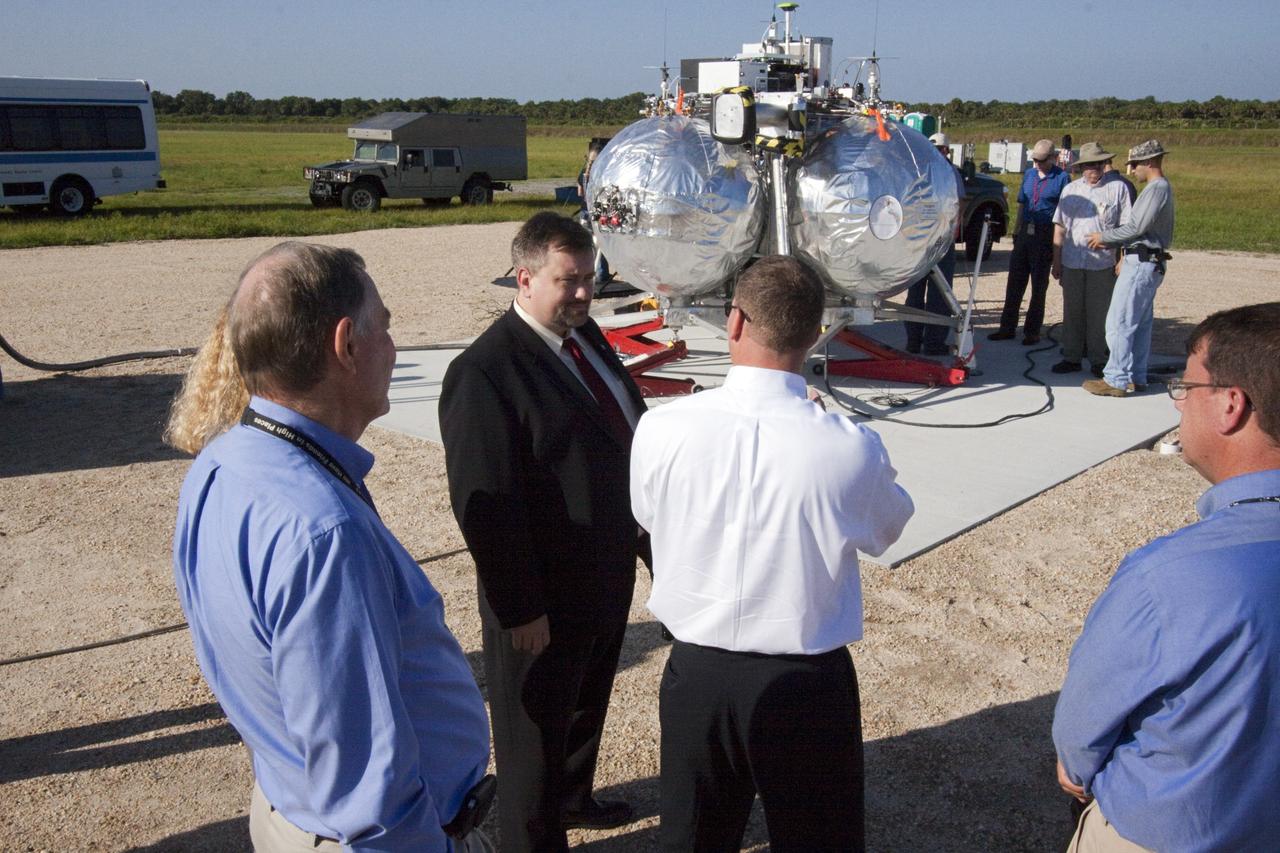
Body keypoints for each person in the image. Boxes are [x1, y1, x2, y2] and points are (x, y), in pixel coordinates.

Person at [170, 242, 494, 852]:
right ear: (346, 345)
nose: (395, 350)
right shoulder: (323, 533)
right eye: (388, 330)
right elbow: (367, 786)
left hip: (288, 808)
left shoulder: (222, 462)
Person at [631, 256, 915, 852]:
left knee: (692, 839)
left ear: (734, 322)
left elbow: (650, 519)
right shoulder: (850, 447)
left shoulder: (663, 427)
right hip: (805, 679)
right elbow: (888, 527)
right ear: (815, 334)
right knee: (818, 839)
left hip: (699, 671)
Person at [439, 212, 646, 851]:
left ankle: (573, 798)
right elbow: (487, 506)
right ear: (524, 279)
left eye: (590, 278)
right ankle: (532, 838)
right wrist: (520, 606)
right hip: (541, 595)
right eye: (570, 281)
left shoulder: (582, 337)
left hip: (603, 570)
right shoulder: (485, 373)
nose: (584, 293)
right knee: (532, 734)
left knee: (586, 702)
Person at [1053, 302, 1280, 852]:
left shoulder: (1169, 577)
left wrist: (1078, 768)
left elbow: (1077, 743)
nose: (1179, 400)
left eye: (1187, 385)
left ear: (1231, 405)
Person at [1082, 140, 1175, 397]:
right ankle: (1136, 375)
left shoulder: (1156, 190)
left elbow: (1136, 227)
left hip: (1142, 261)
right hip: (1149, 262)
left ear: (1149, 162)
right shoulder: (1159, 189)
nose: (1132, 171)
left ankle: (1116, 378)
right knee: (1140, 323)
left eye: (1134, 165)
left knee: (1119, 321)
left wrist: (1105, 236)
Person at [1049, 142, 1132, 376]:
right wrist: (1056, 260)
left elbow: (1127, 228)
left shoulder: (1118, 189)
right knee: (1072, 311)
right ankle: (1072, 357)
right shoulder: (1070, 190)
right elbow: (1060, 227)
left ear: (1104, 164)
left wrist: (1122, 258)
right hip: (1072, 261)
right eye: (1088, 165)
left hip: (1102, 263)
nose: (1093, 169)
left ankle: (1098, 359)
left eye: (1097, 163)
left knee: (1099, 314)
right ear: (1081, 167)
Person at [989, 138, 1070, 345]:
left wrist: (1057, 247)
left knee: (1038, 284)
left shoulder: (1062, 179)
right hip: (1026, 230)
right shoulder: (1030, 175)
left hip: (1046, 232)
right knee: (1014, 282)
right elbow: (1023, 204)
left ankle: (1032, 331)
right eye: (1035, 160)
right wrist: (1017, 232)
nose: (1038, 164)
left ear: (1053, 158)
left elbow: (1064, 216)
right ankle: (1007, 327)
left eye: (1042, 160)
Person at [904, 132, 964, 356]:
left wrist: (954, 231)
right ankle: (914, 339)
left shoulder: (947, 172)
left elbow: (960, 204)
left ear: (946, 150)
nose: (936, 152)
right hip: (922, 240)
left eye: (939, 148)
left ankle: (933, 342)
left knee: (940, 293)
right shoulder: (925, 170)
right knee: (916, 291)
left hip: (940, 239)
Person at [577, 139, 613, 288]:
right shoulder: (602, 173)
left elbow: (580, 192)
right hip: (598, 213)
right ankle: (600, 273)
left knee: (588, 246)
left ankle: (586, 272)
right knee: (601, 245)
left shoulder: (583, 173)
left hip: (584, 212)